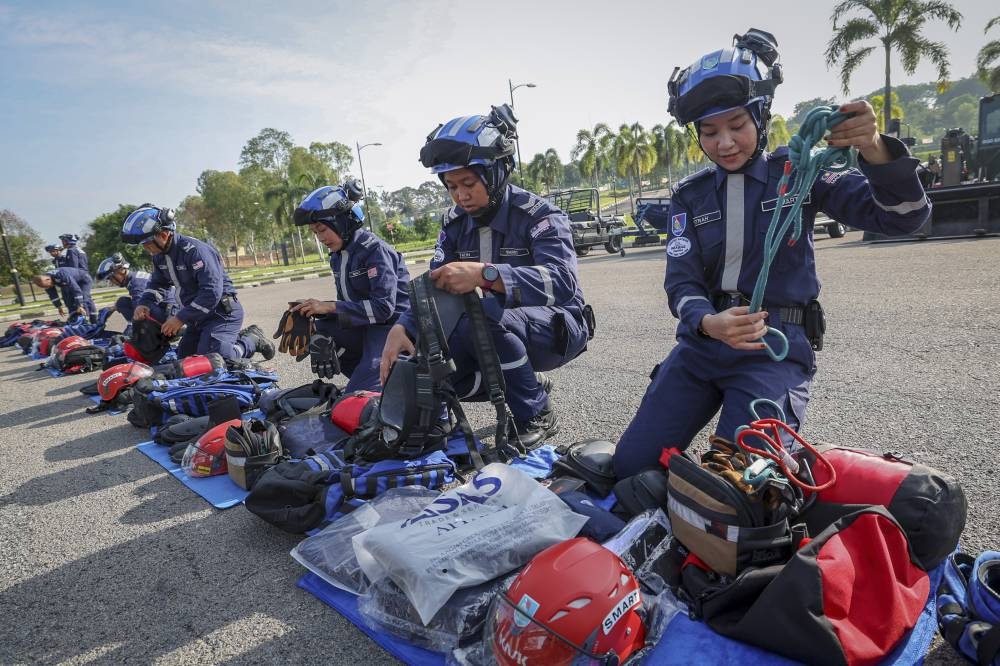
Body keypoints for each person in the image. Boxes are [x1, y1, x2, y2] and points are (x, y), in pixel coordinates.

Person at [612, 28, 931, 479]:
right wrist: (707, 322)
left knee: (738, 484)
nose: (724, 143)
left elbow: (904, 217)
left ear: (761, 117)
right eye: (709, 132)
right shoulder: (690, 195)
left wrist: (874, 147)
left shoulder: (801, 173)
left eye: (737, 125)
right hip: (700, 350)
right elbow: (681, 281)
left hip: (774, 351)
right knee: (629, 468)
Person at [380, 104, 591, 449]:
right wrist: (402, 327)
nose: (461, 195)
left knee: (485, 316)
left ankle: (535, 412)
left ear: (495, 173)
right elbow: (434, 286)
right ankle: (450, 416)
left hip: (559, 325)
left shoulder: (539, 216)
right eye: (451, 186)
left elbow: (562, 282)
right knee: (428, 349)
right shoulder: (454, 224)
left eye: (468, 183)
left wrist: (485, 275)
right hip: (490, 324)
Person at [288, 180, 411, 392]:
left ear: (342, 221)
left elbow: (383, 309)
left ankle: (378, 385)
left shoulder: (374, 250)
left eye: (322, 229)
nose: (320, 238)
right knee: (318, 328)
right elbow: (348, 306)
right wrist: (311, 310)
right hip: (366, 326)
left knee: (360, 397)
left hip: (391, 327)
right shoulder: (337, 256)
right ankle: (370, 381)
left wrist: (329, 306)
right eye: (315, 232)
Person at [120, 204, 274, 362]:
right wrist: (144, 303)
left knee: (214, 361)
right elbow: (158, 284)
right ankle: (224, 342)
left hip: (221, 313)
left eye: (147, 243)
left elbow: (211, 292)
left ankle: (251, 340)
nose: (146, 248)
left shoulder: (195, 251)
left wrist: (179, 318)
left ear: (164, 234)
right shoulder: (159, 257)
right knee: (186, 362)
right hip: (197, 318)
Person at [96, 252, 176, 324]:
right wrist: (112, 309)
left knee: (132, 311)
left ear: (121, 270)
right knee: (122, 303)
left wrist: (130, 330)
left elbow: (141, 313)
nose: (111, 282)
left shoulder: (137, 285)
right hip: (167, 307)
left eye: (111, 278)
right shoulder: (135, 278)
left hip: (170, 314)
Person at [32, 267, 97, 322]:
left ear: (47, 279)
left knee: (84, 297)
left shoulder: (62, 275)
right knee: (68, 299)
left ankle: (92, 319)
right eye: (46, 287)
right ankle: (74, 317)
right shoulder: (45, 282)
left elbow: (75, 289)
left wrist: (79, 305)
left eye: (48, 285)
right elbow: (53, 295)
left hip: (83, 280)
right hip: (70, 283)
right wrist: (59, 307)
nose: (49, 287)